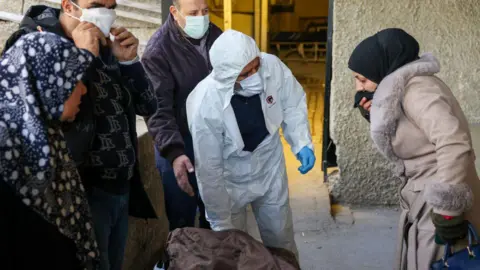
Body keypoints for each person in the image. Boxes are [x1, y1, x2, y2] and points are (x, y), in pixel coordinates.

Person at [2, 2, 158, 270]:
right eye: (97, 5)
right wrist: (82, 56)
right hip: (82, 191)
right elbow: (44, 118)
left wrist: (130, 62)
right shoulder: (41, 44)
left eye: (111, 6)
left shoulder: (107, 44)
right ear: (68, 5)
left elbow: (149, 106)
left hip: (120, 188)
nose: (105, 12)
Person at [350, 28, 480, 269]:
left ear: (384, 68)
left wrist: (447, 210)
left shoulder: (418, 91)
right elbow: (417, 132)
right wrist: (376, 115)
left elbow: (454, 143)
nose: (358, 87)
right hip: (424, 194)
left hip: (439, 195)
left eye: (362, 79)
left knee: (437, 261)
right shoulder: (401, 89)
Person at [186, 29, 316, 257]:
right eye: (246, 74)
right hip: (230, 179)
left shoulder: (272, 66)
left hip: (269, 166)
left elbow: (292, 102)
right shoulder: (205, 103)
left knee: (281, 239)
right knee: (235, 249)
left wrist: (301, 141)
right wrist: (219, 218)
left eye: (256, 67)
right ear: (228, 76)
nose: (256, 75)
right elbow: (209, 168)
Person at [0, 32, 97, 270]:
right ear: (46, 83)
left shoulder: (46, 132)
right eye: (74, 81)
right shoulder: (6, 150)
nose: (83, 90)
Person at [142, 0, 222, 232]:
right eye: (194, 13)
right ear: (174, 12)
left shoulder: (217, 36)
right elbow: (158, 109)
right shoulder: (158, 51)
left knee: (217, 216)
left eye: (205, 11)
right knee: (182, 220)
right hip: (178, 142)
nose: (202, 18)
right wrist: (175, 153)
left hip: (213, 140)